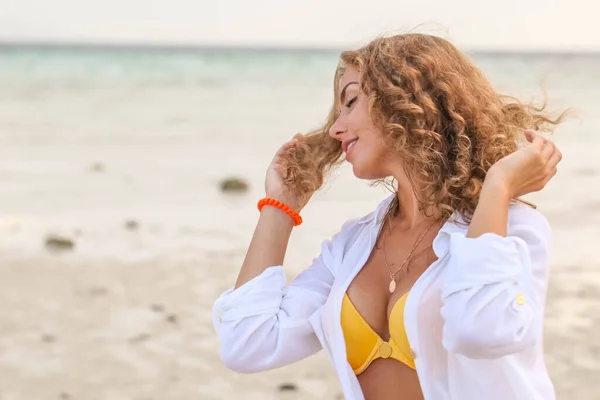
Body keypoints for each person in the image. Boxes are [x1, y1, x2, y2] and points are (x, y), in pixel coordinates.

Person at [212, 33, 566, 400]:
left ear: (407, 100)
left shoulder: (515, 228)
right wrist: (280, 206)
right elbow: (246, 343)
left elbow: (481, 330)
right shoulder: (351, 247)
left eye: (350, 102)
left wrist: (498, 186)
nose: (335, 129)